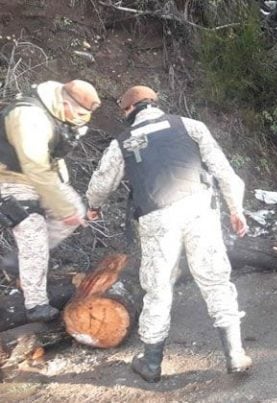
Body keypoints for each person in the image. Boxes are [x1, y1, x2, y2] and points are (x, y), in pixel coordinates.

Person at [85, 85, 252, 383]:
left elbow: (101, 182)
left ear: (128, 110)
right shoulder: (189, 126)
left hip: (157, 218)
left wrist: (93, 206)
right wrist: (236, 209)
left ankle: (151, 363)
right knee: (215, 279)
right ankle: (235, 354)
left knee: (158, 287)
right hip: (200, 209)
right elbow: (224, 171)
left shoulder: (122, 142)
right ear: (154, 104)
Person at [0, 80, 101, 321]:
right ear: (66, 104)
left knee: (76, 210)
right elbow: (35, 166)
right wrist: (61, 207)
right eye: (79, 115)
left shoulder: (53, 112)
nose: (80, 120)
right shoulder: (29, 118)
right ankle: (36, 306)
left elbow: (50, 159)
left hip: (36, 175)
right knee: (32, 230)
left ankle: (21, 261)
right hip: (9, 179)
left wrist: (65, 202)